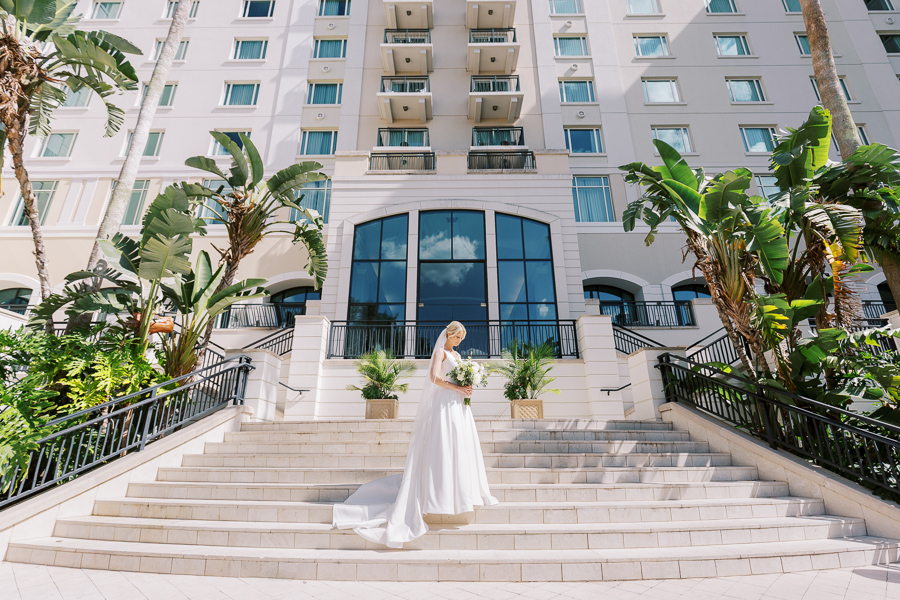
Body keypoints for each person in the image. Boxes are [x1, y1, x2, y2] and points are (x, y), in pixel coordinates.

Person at [332, 321, 498, 548]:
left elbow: (458, 378)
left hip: (459, 406)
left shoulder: (458, 356)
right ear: (448, 334)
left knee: (459, 447)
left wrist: (467, 386)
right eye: (458, 337)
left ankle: (460, 493)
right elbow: (434, 378)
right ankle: (437, 494)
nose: (460, 341)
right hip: (444, 404)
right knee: (443, 446)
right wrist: (458, 388)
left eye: (462, 338)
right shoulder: (440, 352)